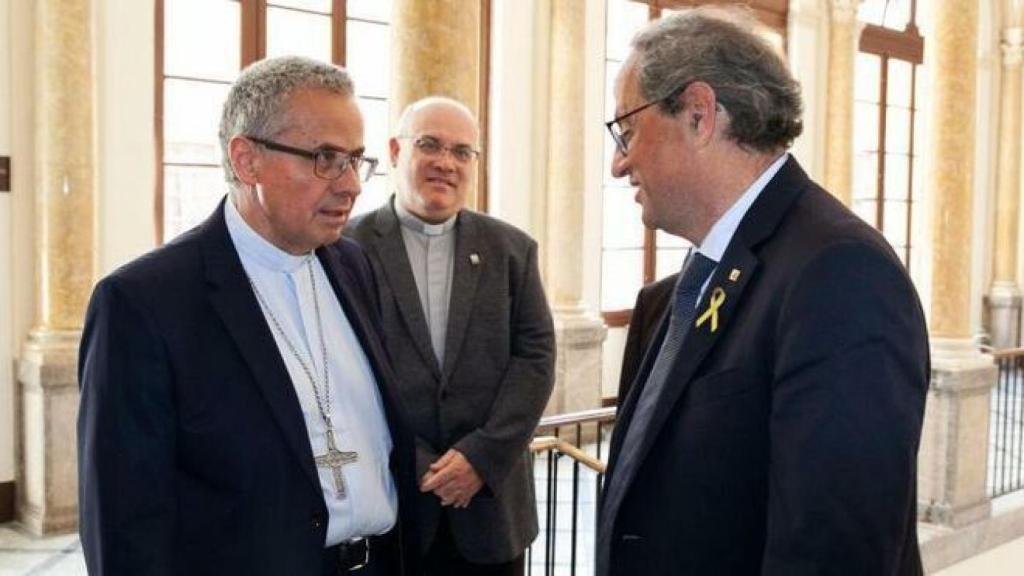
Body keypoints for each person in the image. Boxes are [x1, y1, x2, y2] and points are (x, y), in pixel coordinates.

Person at [597, 8, 929, 576]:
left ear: (699, 114)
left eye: (627, 130)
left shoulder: (840, 275)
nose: (618, 162)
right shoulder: (676, 293)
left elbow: (832, 555)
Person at [77, 56, 418, 576]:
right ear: (246, 160)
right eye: (325, 158)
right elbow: (125, 524)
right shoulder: (143, 303)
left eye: (355, 159)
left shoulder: (354, 264)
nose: (350, 184)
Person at [345, 96, 555, 576]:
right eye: (430, 145)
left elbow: (536, 358)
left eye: (462, 152)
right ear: (396, 151)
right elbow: (343, 371)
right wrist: (418, 462)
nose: (446, 162)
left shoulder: (511, 250)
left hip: (490, 508)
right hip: (393, 506)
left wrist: (480, 456)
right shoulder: (346, 250)